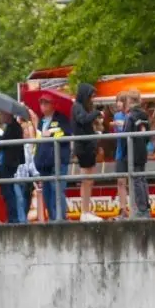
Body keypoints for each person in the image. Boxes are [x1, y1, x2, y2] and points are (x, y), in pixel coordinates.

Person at [34, 94, 70, 221]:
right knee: (47, 191)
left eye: (46, 103)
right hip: (43, 161)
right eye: (41, 103)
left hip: (58, 159)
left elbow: (67, 134)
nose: (43, 106)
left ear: (53, 104)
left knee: (57, 189)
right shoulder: (40, 121)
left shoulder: (62, 119)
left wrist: (52, 133)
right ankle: (52, 218)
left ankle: (60, 218)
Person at [70, 82, 100, 216]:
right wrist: (96, 113)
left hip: (89, 146)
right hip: (83, 147)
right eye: (90, 97)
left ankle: (86, 209)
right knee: (86, 179)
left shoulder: (82, 107)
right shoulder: (77, 107)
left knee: (90, 179)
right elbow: (83, 120)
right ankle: (84, 210)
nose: (92, 99)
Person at [0, 109, 28, 224]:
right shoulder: (12, 126)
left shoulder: (13, 127)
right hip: (10, 162)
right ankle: (13, 217)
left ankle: (13, 218)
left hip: (10, 163)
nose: (0, 116)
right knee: (9, 192)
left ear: (7, 114)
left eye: (1, 114)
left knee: (9, 192)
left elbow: (1, 144)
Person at [123, 90, 153, 219]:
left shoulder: (131, 117)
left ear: (130, 101)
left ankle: (141, 209)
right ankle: (146, 207)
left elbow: (126, 134)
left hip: (133, 150)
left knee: (136, 180)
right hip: (142, 151)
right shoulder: (144, 115)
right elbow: (148, 134)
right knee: (142, 179)